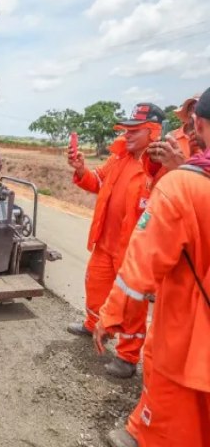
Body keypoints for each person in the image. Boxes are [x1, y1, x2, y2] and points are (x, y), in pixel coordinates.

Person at [95, 86, 210, 447]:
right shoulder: (126, 163)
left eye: (190, 125)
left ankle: (148, 432)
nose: (186, 133)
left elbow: (143, 264)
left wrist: (108, 315)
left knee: (173, 384)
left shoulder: (182, 183)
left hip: (188, 319)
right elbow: (95, 184)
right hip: (116, 247)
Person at [67, 103, 165, 378]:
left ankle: (127, 357)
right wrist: (80, 169)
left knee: (132, 306)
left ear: (153, 132)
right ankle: (92, 324)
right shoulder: (119, 157)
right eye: (126, 129)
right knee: (95, 287)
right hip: (104, 243)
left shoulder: (159, 169)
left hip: (133, 253)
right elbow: (95, 182)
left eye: (134, 130)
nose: (127, 134)